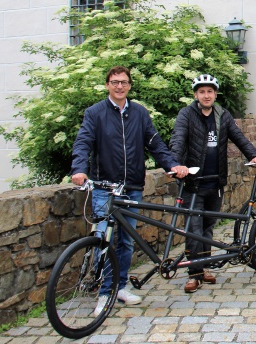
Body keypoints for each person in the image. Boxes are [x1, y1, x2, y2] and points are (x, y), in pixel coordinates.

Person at [70, 66, 187, 316]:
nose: (119, 86)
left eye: (123, 82)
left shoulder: (139, 113)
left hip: (132, 187)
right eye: (114, 82)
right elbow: (83, 142)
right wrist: (79, 169)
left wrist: (172, 164)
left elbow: (155, 143)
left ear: (130, 85)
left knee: (125, 241)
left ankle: (119, 286)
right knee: (103, 240)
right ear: (107, 85)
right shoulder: (95, 113)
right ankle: (104, 293)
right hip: (105, 188)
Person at [170, 74, 256, 293]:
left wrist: (253, 155)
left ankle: (204, 268)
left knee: (207, 228)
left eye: (210, 91)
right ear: (196, 95)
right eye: (202, 92)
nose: (206, 95)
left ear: (215, 94)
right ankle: (194, 274)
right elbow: (178, 139)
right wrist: (175, 164)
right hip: (193, 184)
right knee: (193, 230)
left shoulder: (222, 114)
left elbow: (238, 138)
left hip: (216, 183)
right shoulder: (186, 114)